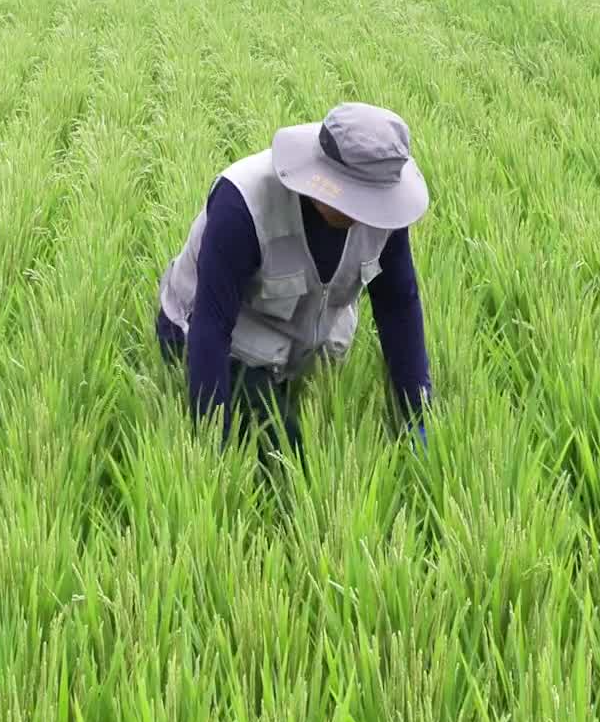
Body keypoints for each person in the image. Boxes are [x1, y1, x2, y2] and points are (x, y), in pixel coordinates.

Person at [155, 102, 433, 460]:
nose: (362, 214)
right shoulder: (243, 205)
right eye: (353, 199)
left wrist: (417, 412)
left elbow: (397, 304)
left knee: (309, 440)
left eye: (372, 202)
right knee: (286, 457)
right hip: (211, 333)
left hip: (296, 336)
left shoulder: (384, 212)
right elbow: (211, 325)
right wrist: (214, 446)